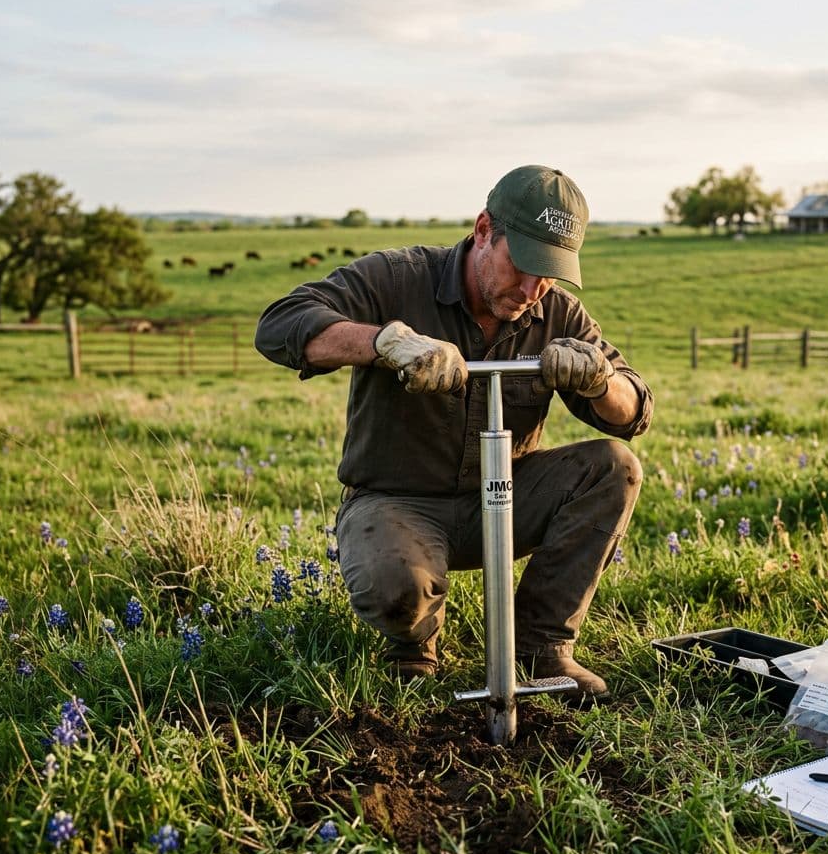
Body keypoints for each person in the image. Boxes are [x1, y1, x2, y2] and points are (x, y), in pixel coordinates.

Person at [255, 165, 653, 698]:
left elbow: (635, 410)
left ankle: (541, 649)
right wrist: (386, 343)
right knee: (398, 589)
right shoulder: (396, 278)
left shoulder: (556, 312)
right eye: (524, 265)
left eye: (550, 274)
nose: (533, 289)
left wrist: (600, 380)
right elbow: (281, 324)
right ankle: (413, 649)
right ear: (484, 230)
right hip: (398, 502)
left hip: (505, 498)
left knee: (613, 467)